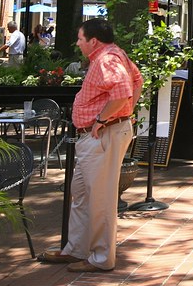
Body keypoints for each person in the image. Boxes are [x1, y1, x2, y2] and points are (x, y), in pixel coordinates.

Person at [39, 18, 142, 272]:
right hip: (101, 134)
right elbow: (136, 81)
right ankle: (77, 249)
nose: (77, 42)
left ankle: (101, 258)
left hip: (101, 135)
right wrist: (124, 113)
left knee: (100, 199)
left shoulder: (106, 59)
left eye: (80, 38)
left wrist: (103, 119)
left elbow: (121, 92)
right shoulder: (114, 54)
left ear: (93, 41)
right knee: (83, 193)